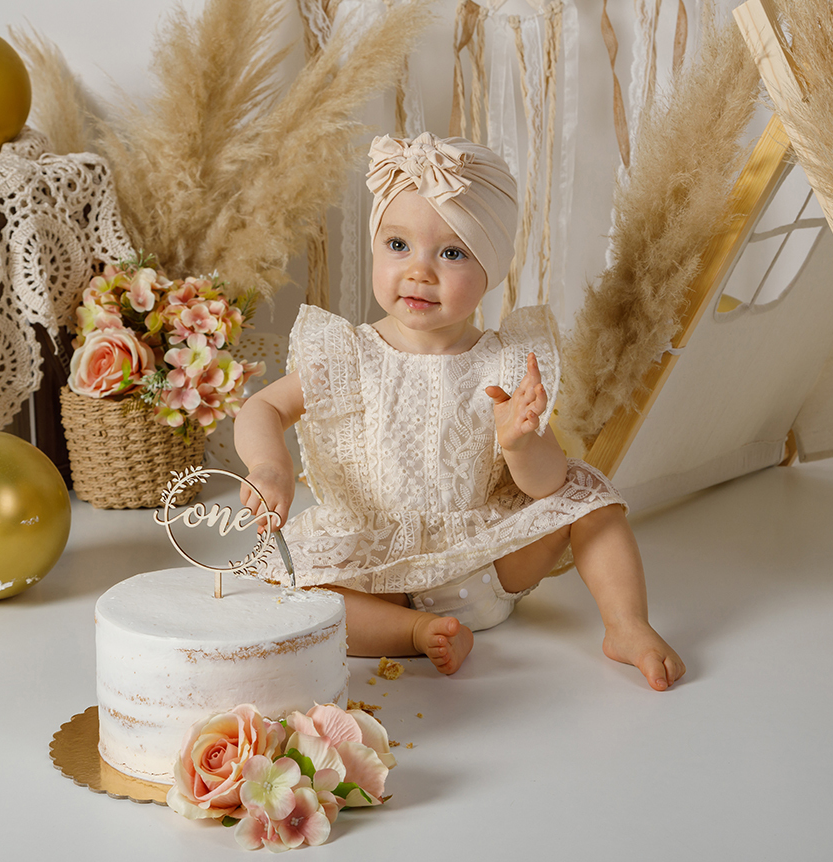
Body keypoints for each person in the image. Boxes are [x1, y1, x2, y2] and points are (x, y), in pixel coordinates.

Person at [235, 132, 684, 690]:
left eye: (451, 253)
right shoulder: (349, 355)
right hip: (375, 569)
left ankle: (627, 624)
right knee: (290, 590)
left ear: (491, 268)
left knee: (589, 494)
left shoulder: (504, 362)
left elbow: (546, 486)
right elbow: (263, 406)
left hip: (487, 562)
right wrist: (269, 466)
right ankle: (416, 631)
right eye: (398, 245)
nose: (420, 272)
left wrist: (520, 443)